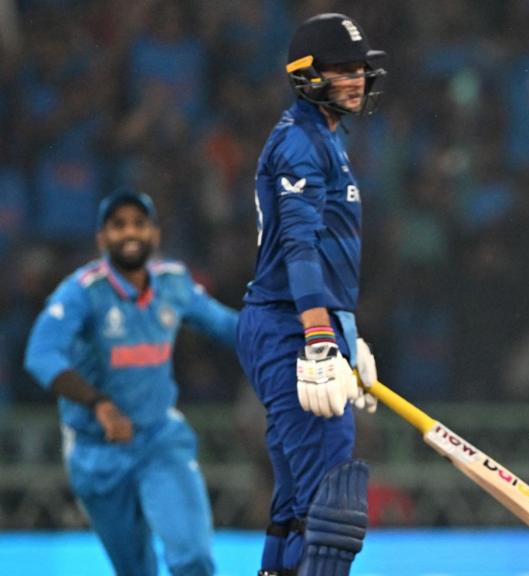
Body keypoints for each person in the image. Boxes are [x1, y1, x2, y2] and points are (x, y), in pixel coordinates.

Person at [234, 13, 384, 576]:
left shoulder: (321, 138)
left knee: (298, 506)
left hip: (295, 323)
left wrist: (346, 333)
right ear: (308, 76)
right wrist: (322, 339)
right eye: (341, 70)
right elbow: (298, 249)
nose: (356, 80)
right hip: (289, 327)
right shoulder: (301, 143)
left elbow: (318, 256)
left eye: (360, 69)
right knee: (330, 506)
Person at [23, 190, 238, 576]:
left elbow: (229, 327)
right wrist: (98, 404)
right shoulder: (82, 292)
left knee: (193, 559)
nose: (130, 233)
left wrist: (300, 338)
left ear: (155, 233)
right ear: (101, 238)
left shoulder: (173, 283)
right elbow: (40, 354)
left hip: (159, 441)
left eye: (139, 223)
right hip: (96, 451)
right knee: (136, 570)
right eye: (118, 225)